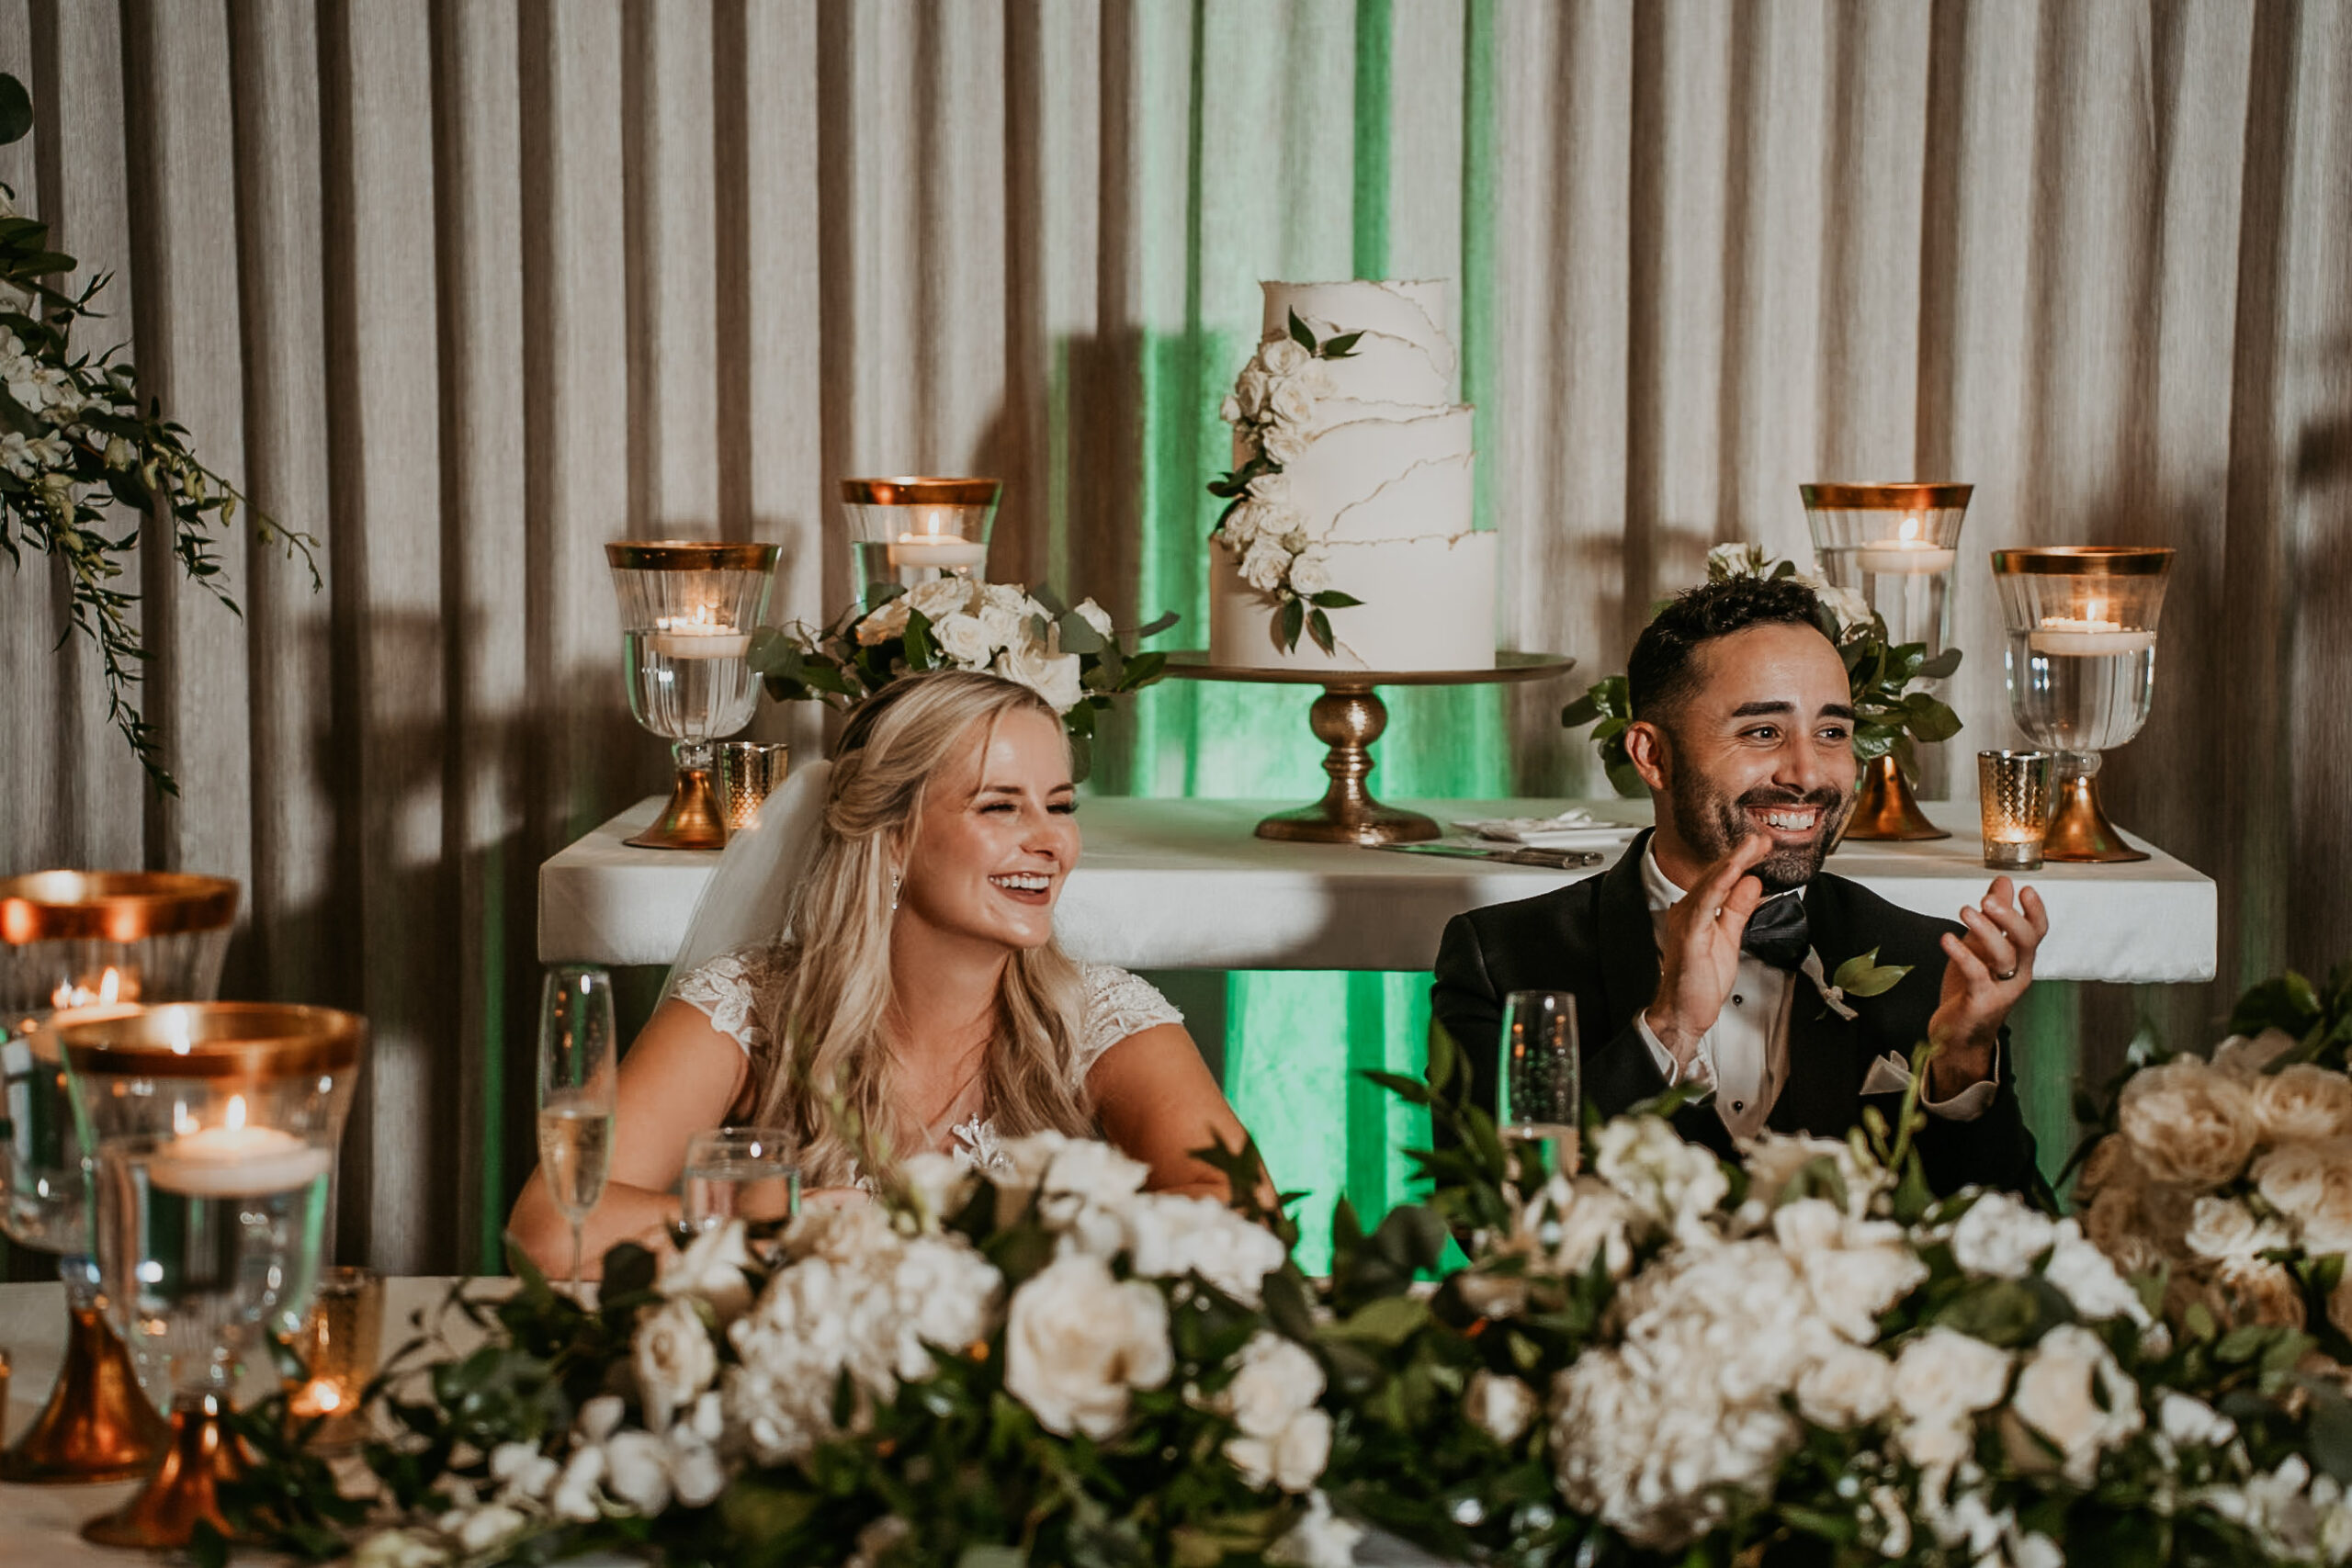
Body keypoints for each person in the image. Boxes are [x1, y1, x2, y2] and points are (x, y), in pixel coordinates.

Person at [509, 670, 1252, 1275]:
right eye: (1000, 806)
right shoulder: (747, 1003)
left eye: (1059, 806)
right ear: (893, 837)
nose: (1049, 840)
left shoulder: (1103, 1015)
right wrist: (781, 1221)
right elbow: (550, 1228)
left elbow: (1245, 1220)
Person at [1430, 574, 2047, 1196]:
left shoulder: (1927, 961)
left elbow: (2013, 1235)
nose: (1808, 774)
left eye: (1832, 732)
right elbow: (1490, 1218)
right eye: (1762, 732)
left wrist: (1963, 1061)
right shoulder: (1504, 959)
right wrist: (1668, 1027)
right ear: (1652, 756)